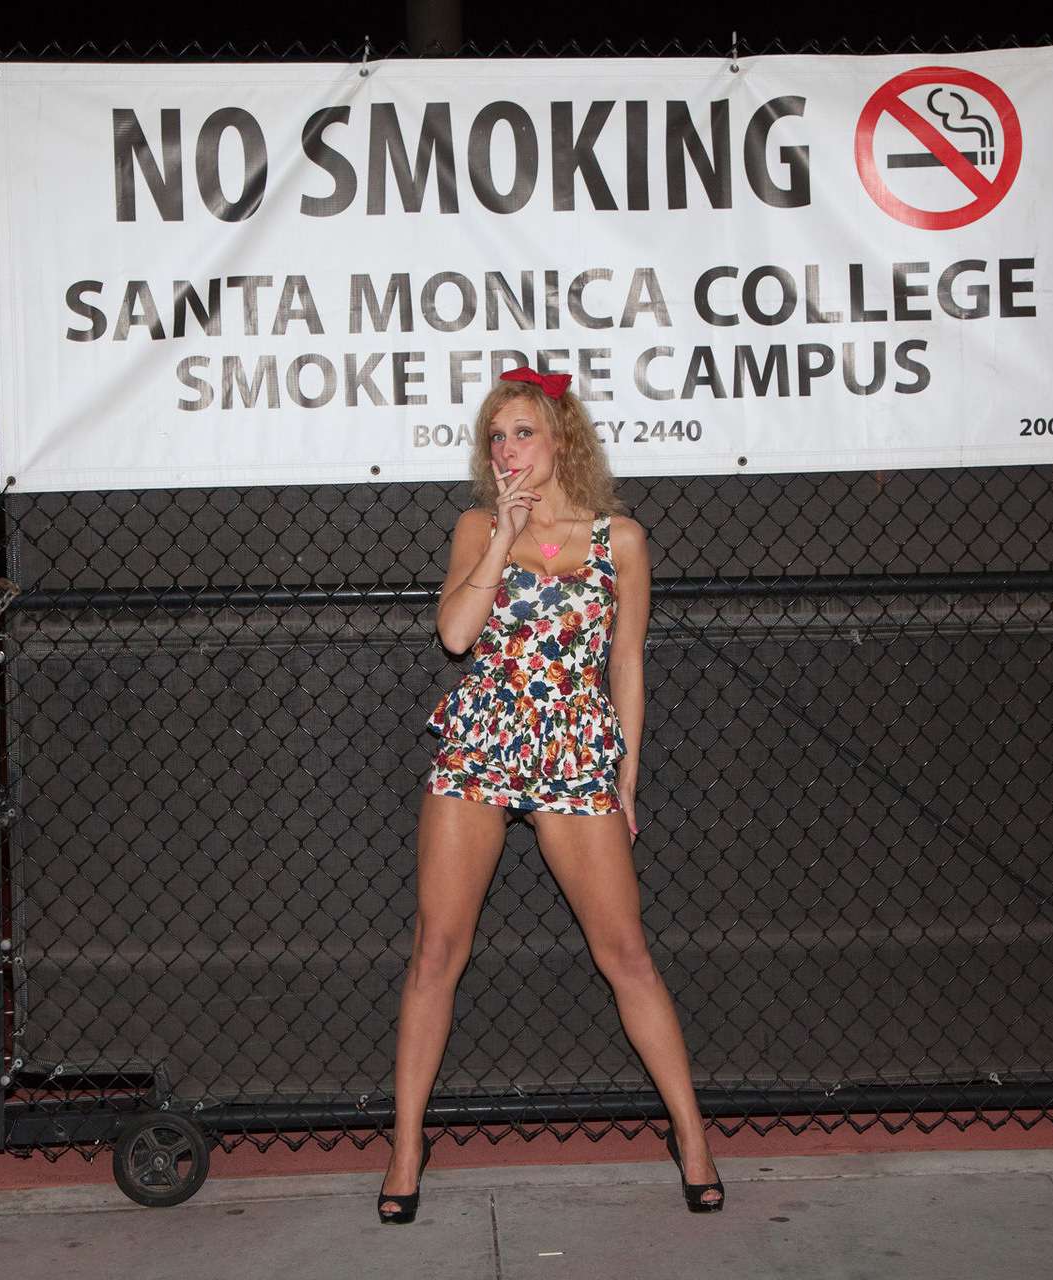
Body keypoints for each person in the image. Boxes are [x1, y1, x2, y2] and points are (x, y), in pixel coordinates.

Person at [376, 365, 726, 1223]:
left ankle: (692, 1138)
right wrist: (503, 535)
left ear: (562, 438)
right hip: (482, 738)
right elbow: (456, 635)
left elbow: (627, 662)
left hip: (574, 746)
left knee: (627, 954)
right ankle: (407, 1147)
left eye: (522, 432)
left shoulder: (621, 540)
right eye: (496, 436)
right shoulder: (474, 527)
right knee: (435, 951)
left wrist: (625, 772)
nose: (506, 449)